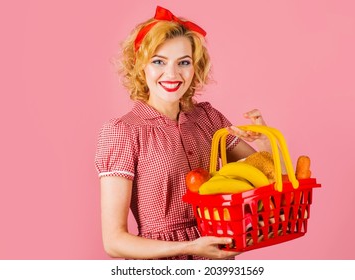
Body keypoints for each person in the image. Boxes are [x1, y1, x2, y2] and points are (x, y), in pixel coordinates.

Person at [94, 6, 271, 260]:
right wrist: (189, 248)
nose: (173, 74)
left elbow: (261, 181)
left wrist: (264, 144)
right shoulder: (123, 132)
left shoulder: (209, 119)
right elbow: (113, 241)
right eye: (158, 61)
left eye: (183, 63)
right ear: (139, 66)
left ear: (195, 67)